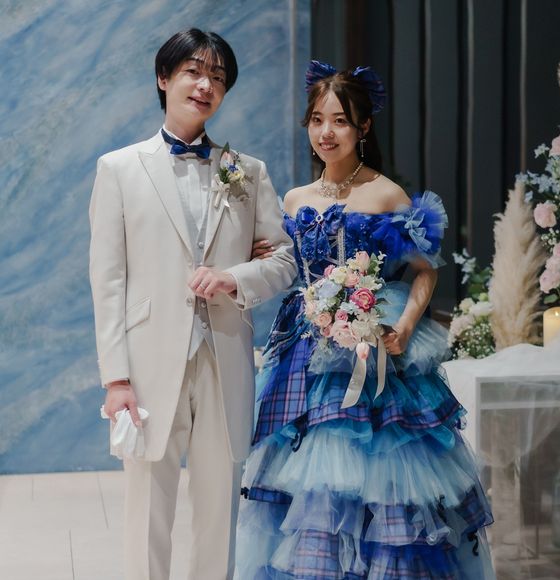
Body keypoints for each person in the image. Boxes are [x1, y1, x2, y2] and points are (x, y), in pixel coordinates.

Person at [236, 61, 495, 579]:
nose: (326, 133)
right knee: (309, 483)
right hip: (305, 352)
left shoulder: (386, 194)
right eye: (317, 120)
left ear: (364, 127)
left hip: (373, 347)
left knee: (382, 478)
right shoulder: (295, 199)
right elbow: (285, 263)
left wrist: (405, 327)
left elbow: (424, 272)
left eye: (339, 121)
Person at [89, 28, 296, 580]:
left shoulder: (246, 171)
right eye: (194, 72)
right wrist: (116, 378)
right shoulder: (119, 169)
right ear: (164, 78)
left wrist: (234, 277)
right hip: (149, 363)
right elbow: (107, 281)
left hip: (226, 357)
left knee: (219, 505)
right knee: (147, 508)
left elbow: (284, 260)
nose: (206, 86)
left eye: (218, 78)